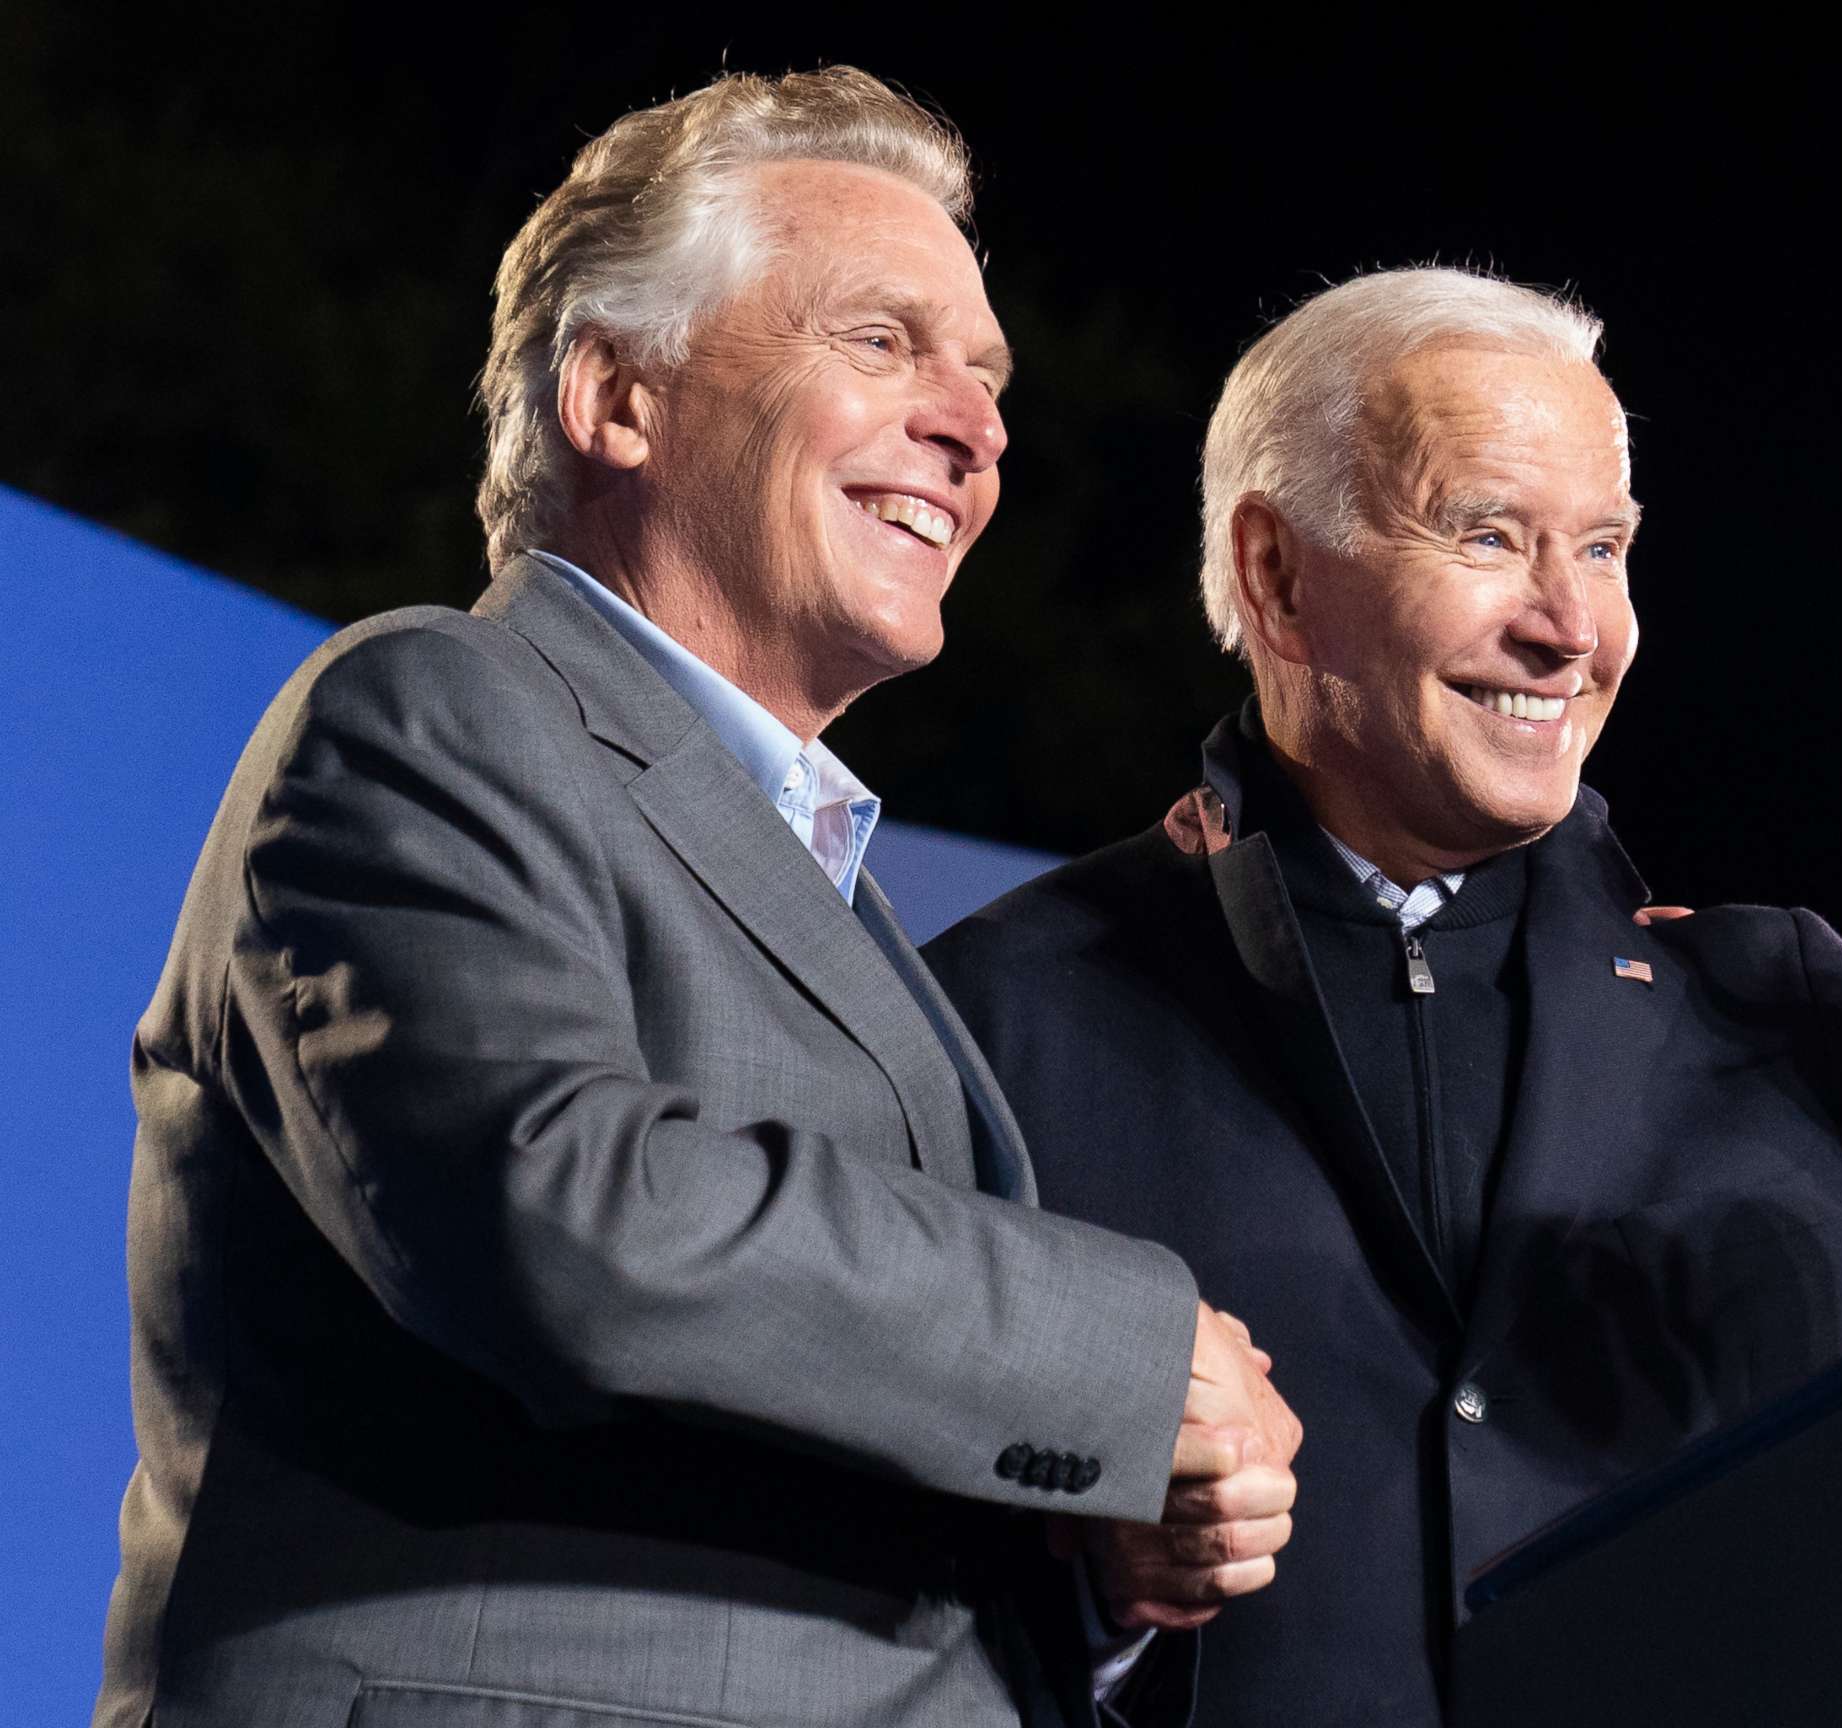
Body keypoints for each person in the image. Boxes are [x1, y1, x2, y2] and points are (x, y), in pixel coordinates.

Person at [921, 267, 1842, 1724]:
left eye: (1603, 549)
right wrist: (1091, 1606)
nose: (1570, 626)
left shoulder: (1771, 1014)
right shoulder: (998, 1020)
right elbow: (827, 1599)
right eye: (1490, 535)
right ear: (1279, 577)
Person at [98, 68, 1296, 1728]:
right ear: (618, 397)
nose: (978, 424)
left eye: (988, 377)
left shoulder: (826, 883)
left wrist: (1086, 1550)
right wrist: (1129, 1357)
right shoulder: (433, 710)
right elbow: (562, 1209)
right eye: (882, 342)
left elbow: (782, 1422)